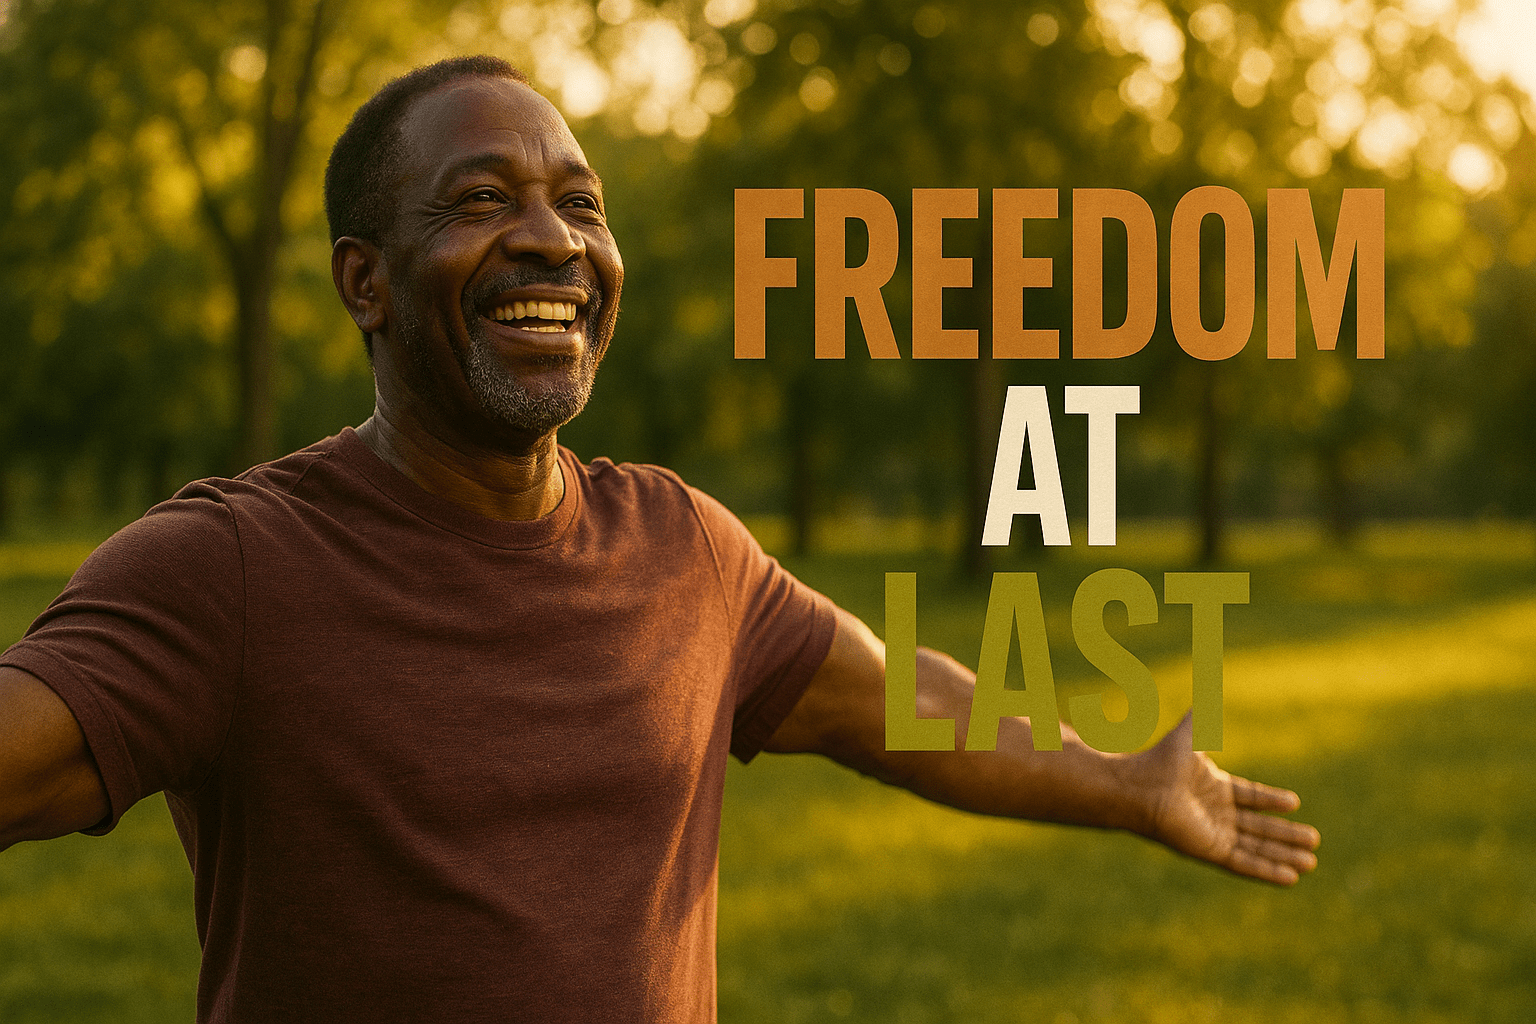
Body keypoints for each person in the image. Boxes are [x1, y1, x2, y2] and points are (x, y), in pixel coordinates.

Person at [0, 56, 1318, 1022]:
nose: (550, 242)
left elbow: (900, 696)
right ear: (366, 283)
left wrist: (1126, 784)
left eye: (583, 204)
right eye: (480, 203)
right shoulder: (233, 568)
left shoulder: (685, 546)